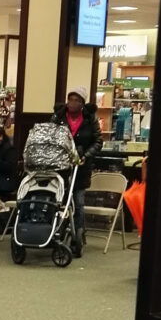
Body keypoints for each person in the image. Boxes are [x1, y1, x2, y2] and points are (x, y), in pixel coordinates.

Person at [52, 86, 102, 241]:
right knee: (59, 200)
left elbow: (98, 141)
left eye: (77, 100)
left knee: (78, 202)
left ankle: (78, 235)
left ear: (82, 103)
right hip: (60, 165)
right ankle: (57, 230)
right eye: (70, 99)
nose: (72, 103)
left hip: (81, 166)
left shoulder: (90, 118)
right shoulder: (58, 116)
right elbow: (50, 136)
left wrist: (86, 155)